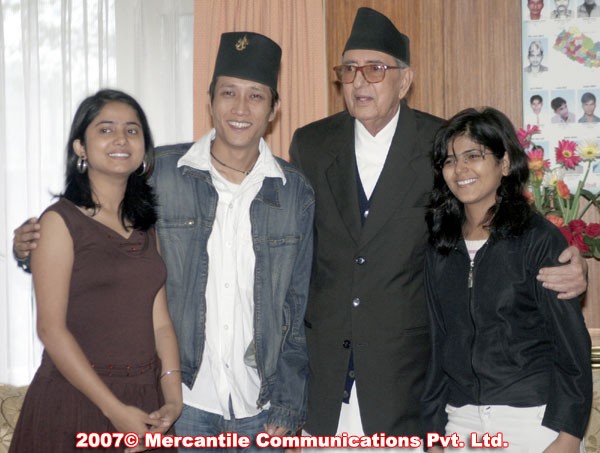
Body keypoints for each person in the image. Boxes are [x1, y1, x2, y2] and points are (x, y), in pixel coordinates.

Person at [288, 6, 587, 443]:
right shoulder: (311, 144)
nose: (359, 81)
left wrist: (570, 261)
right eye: (348, 69)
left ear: (405, 80)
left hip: (408, 384)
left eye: (375, 69)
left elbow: (496, 219)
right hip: (326, 378)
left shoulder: (442, 144)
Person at [13, 32, 314, 451]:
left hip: (259, 407)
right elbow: (90, 228)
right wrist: (26, 246)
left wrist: (289, 401)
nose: (240, 108)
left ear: (274, 109)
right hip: (181, 403)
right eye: (228, 93)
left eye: (256, 96)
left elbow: (298, 306)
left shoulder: (294, 191)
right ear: (210, 100)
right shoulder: (161, 174)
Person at [9, 89, 183, 452]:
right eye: (106, 129)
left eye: (132, 130)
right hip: (77, 400)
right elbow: (51, 330)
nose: (121, 138)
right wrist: (115, 412)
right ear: (80, 148)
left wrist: (172, 397)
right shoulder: (58, 222)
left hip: (145, 401)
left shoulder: (146, 226)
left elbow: (160, 323)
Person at [421, 107, 591, 453]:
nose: (460, 169)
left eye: (473, 156)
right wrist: (433, 431)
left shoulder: (537, 239)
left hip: (533, 420)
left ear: (504, 163)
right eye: (450, 160)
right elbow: (437, 344)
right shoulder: (441, 245)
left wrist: (569, 434)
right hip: (460, 422)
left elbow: (571, 345)